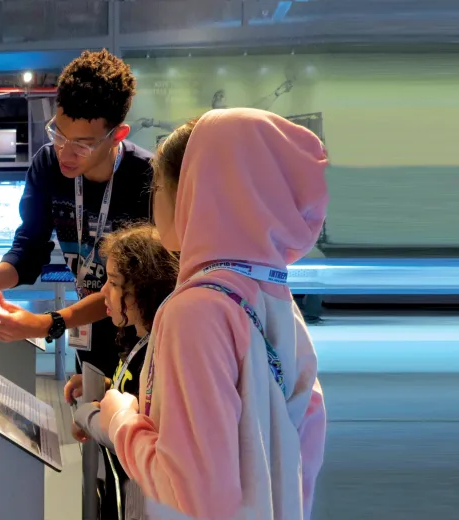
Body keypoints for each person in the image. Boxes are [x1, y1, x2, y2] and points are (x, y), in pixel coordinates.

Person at [97, 108, 329, 520]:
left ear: (194, 191)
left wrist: (119, 418)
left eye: (160, 185)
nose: (155, 200)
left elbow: (195, 494)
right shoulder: (276, 299)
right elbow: (302, 453)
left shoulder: (195, 312)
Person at [0, 49, 154, 378]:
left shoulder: (146, 179)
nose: (64, 153)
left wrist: (48, 323)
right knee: (84, 417)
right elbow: (28, 253)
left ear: (117, 134)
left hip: (142, 342)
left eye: (83, 144)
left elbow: (132, 289)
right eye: (58, 133)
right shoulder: (47, 166)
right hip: (86, 338)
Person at [66, 224, 179, 520]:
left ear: (142, 292)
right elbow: (134, 398)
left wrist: (86, 417)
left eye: (114, 282)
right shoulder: (140, 342)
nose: (103, 290)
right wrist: (104, 387)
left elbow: (131, 430)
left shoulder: (156, 356)